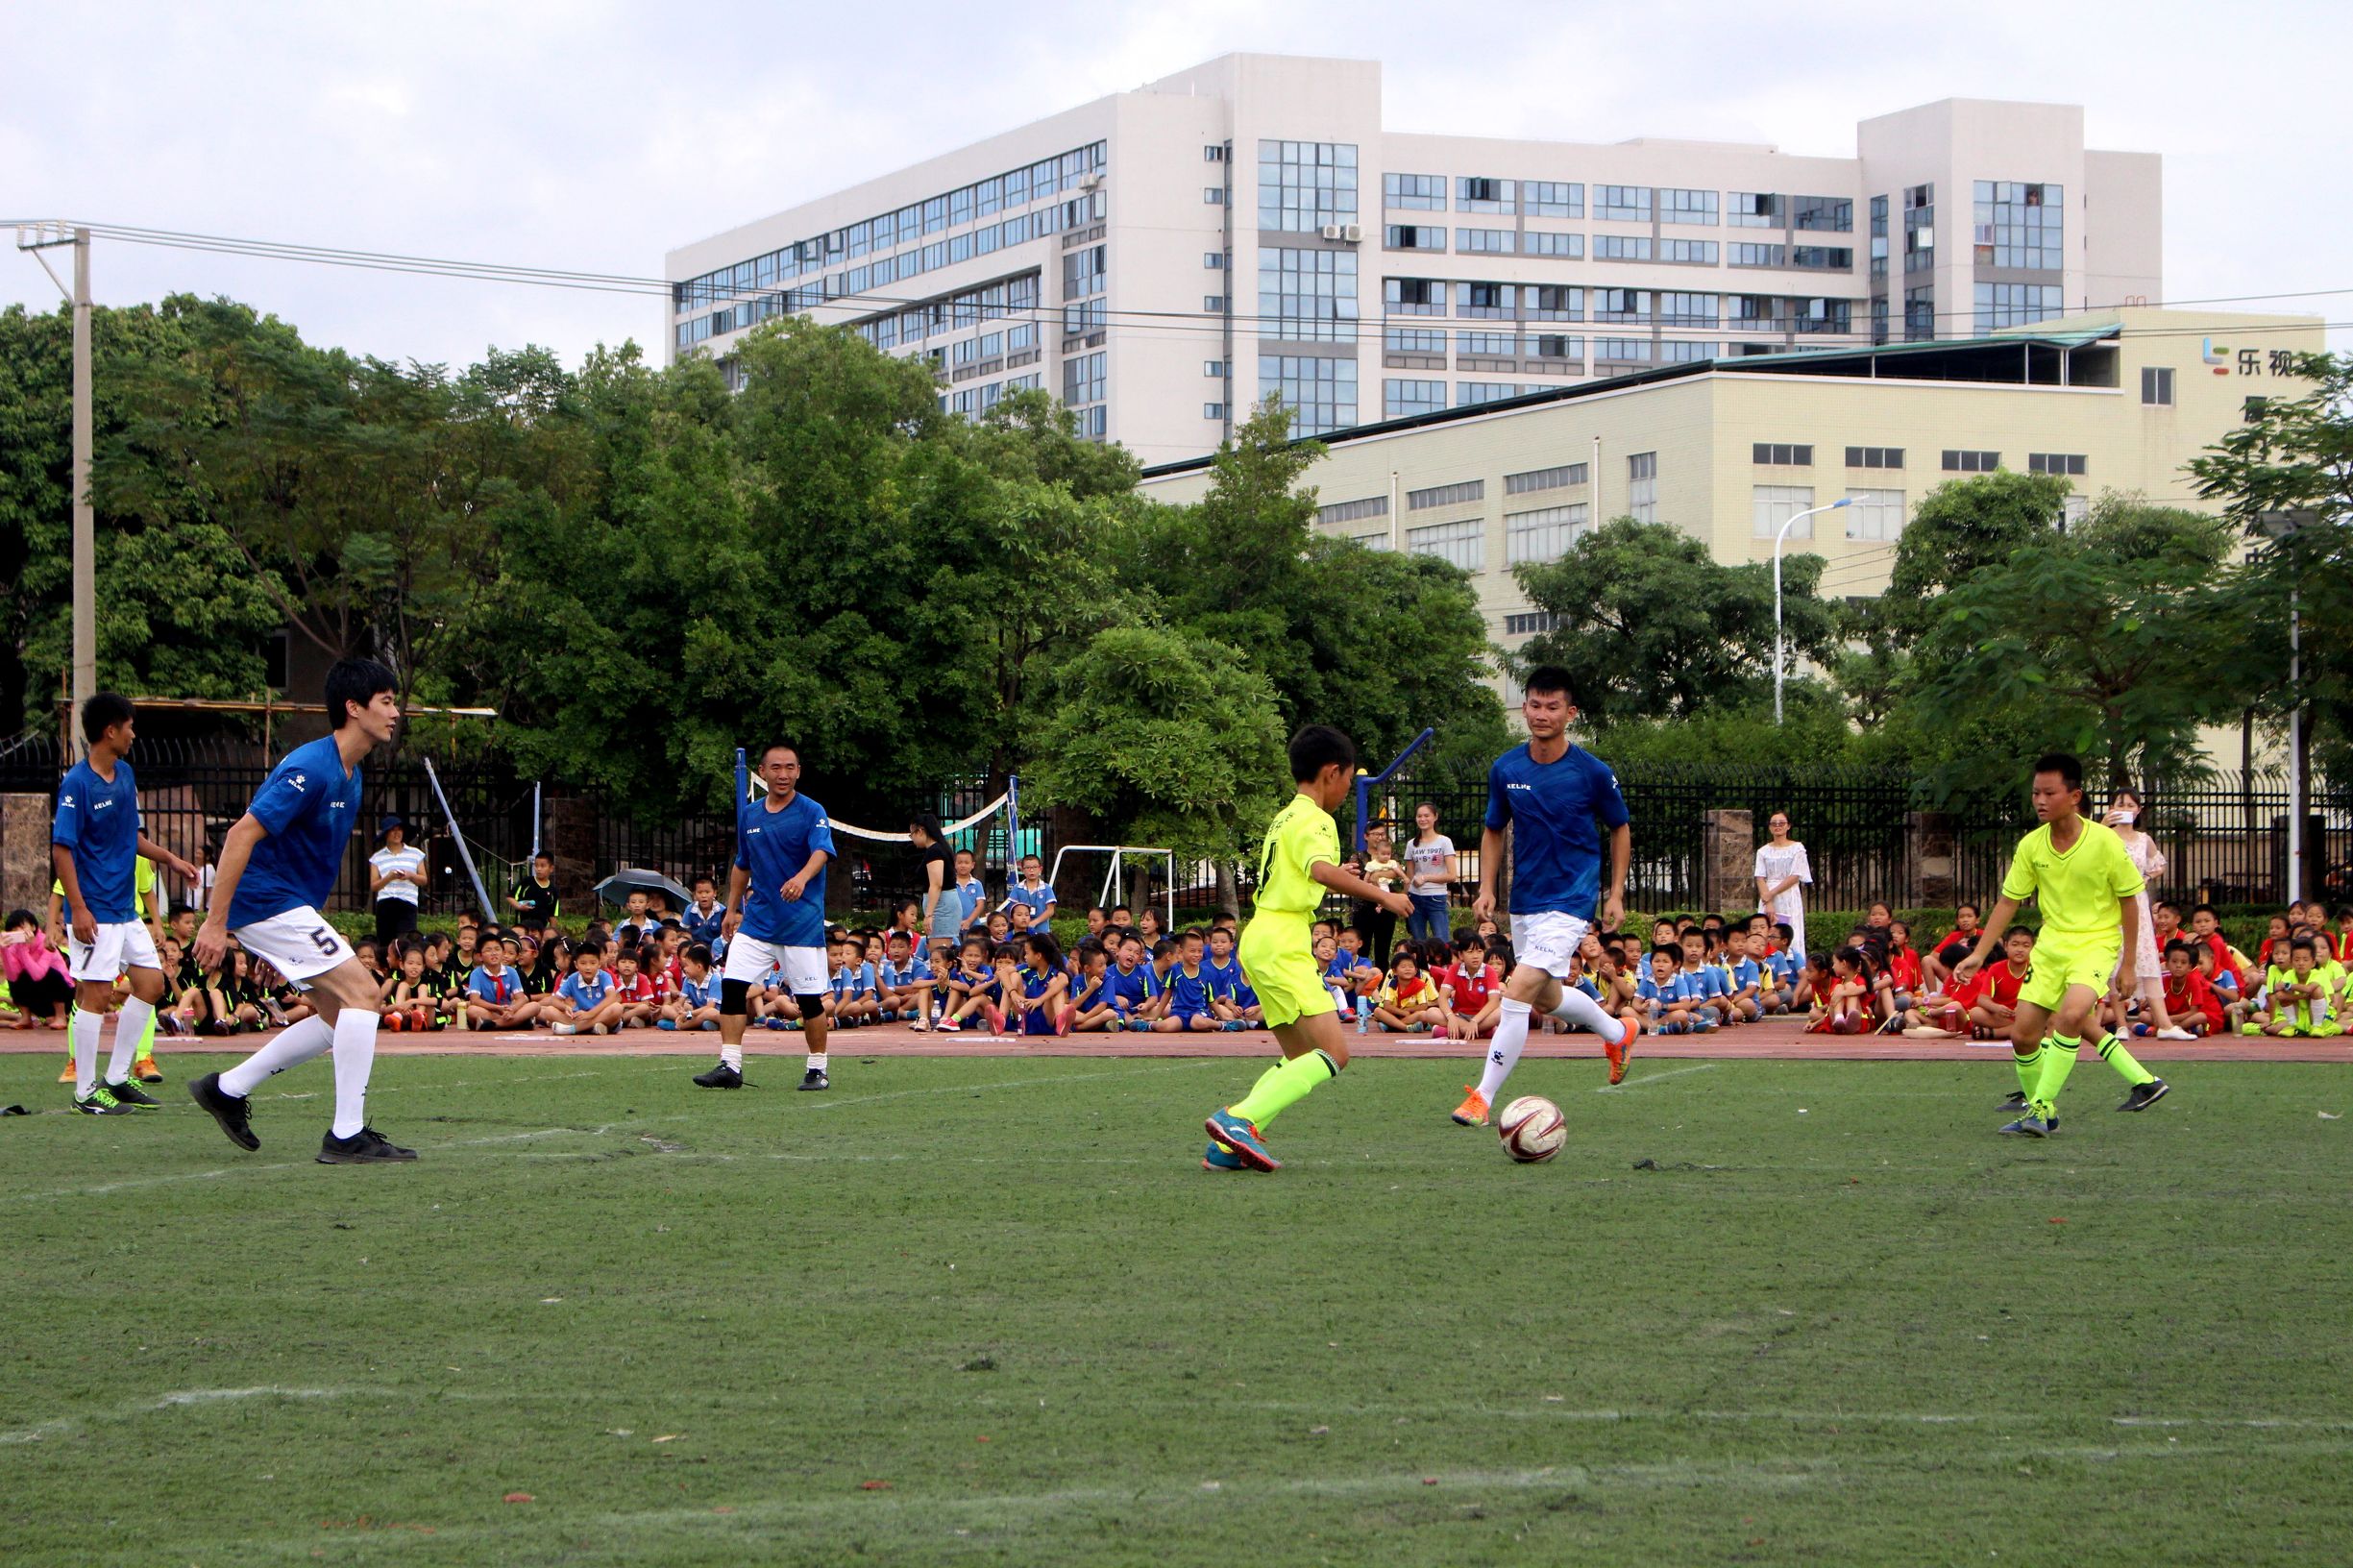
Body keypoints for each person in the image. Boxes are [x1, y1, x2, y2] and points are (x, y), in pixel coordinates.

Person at [187, 659, 416, 1163]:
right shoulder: (310, 767)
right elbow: (239, 834)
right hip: (264, 900)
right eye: (386, 701)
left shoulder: (350, 774)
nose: (395, 712)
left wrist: (282, 946)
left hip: (284, 906)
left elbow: (305, 862)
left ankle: (226, 1089)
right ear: (353, 708)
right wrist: (217, 922)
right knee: (364, 994)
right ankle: (346, 1136)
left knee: (339, 1016)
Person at [1203, 725, 1413, 1172]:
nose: (1346, 789)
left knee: (1301, 1057)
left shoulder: (1285, 817)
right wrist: (1385, 896)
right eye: (1348, 778)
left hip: (1260, 936)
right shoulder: (1319, 819)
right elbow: (1319, 871)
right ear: (1331, 772)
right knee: (1336, 1053)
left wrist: (1340, 870)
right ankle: (1238, 1118)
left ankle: (1226, 1145)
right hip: (1284, 939)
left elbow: (1304, 870)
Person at [1951, 752, 2170, 1139]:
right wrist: (1979, 953)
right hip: (2051, 948)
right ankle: (2122, 1086)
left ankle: (2040, 1108)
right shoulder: (2031, 846)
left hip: (2097, 944)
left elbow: (2130, 901)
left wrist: (2130, 964)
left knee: (2071, 1017)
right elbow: (2007, 901)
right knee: (2022, 1036)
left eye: (2049, 793)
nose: (2039, 800)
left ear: (2074, 796)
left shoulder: (2104, 841)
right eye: (2035, 793)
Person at [1453, 668, 1635, 1124]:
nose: (1541, 714)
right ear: (1524, 707)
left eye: (1552, 706)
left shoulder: (1593, 772)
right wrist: (1487, 888)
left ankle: (1482, 1097)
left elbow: (1620, 828)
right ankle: (1618, 1031)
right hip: (1526, 901)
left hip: (1572, 901)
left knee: (1515, 993)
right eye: (1534, 704)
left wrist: (1615, 893)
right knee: (1547, 999)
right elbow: (1493, 829)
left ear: (1570, 713)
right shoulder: (1507, 768)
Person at [47, 695, 199, 1112]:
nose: (134, 734)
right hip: (95, 910)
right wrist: (77, 908)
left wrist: (170, 859)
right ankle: (84, 1092)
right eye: (129, 726)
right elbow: (62, 850)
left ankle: (116, 1078)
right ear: (110, 731)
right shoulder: (77, 783)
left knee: (150, 985)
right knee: (95, 997)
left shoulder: (126, 774)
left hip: (125, 908)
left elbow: (130, 836)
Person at [699, 744, 837, 1090]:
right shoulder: (751, 814)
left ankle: (817, 1068)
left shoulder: (811, 811)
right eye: (776, 768)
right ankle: (730, 1066)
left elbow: (821, 851)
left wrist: (801, 878)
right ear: (762, 771)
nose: (783, 774)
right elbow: (741, 864)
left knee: (808, 1001)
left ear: (799, 771)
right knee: (732, 989)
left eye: (790, 767)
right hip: (758, 921)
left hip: (800, 924)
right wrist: (731, 910)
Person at [2102, 787, 2194, 1040]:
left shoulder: (2144, 840)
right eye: (2120, 804)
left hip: (2138, 906)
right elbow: (2089, 854)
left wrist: (2145, 878)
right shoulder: (2104, 836)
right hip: (2111, 905)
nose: (2125, 809)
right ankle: (2121, 1024)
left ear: (2139, 810)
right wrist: (2102, 825)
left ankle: (2164, 1024)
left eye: (2131, 805)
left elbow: (2159, 864)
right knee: (2114, 961)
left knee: (2146, 958)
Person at [1752, 813, 1812, 962]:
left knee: (1790, 930)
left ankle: (1793, 964)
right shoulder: (1763, 851)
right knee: (1768, 928)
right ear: (1770, 827)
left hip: (1788, 894)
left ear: (1788, 826)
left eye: (1781, 822)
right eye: (1774, 823)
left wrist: (1771, 893)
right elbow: (1760, 877)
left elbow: (1795, 876)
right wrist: (1768, 901)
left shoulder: (1797, 848)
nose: (1778, 826)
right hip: (1767, 896)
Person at [1345, 824, 1406, 970]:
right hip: (1363, 908)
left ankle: (1382, 983)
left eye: (1382, 834)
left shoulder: (1390, 855)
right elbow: (1354, 879)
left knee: (1383, 949)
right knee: (1362, 948)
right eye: (1375, 834)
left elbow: (1396, 872)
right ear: (1366, 836)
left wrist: (1376, 875)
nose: (1380, 837)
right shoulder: (1358, 857)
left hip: (1386, 906)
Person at [367, 816, 427, 951]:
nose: (397, 833)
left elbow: (423, 879)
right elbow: (374, 885)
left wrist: (410, 875)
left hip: (407, 901)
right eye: (392, 830)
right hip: (386, 903)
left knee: (406, 941)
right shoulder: (377, 857)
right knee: (385, 942)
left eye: (399, 830)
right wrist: (388, 877)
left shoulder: (416, 854)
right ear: (386, 834)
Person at [1403, 801, 1456, 946]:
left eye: (1427, 815)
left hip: (1436, 897)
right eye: (1419, 816)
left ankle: (1442, 969)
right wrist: (1404, 897)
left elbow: (1452, 875)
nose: (1423, 819)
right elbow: (1409, 875)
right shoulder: (1411, 844)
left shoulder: (1444, 842)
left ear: (1435, 817)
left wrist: (1426, 878)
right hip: (1415, 898)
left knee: (1441, 942)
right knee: (1418, 943)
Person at [909, 815, 963, 954]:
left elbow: (936, 884)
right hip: (941, 905)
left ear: (920, 831)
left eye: (911, 834)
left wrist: (929, 915)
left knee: (939, 955)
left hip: (942, 907)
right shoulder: (938, 849)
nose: (912, 839)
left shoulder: (934, 851)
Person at [509, 851, 561, 929]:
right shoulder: (526, 882)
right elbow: (510, 896)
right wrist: (519, 906)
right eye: (536, 866)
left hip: (541, 931)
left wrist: (552, 933)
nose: (538, 869)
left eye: (542, 866)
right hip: (523, 928)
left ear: (551, 868)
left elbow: (552, 916)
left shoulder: (553, 890)